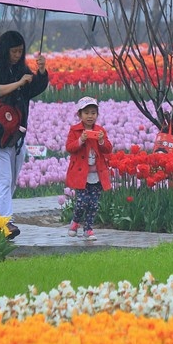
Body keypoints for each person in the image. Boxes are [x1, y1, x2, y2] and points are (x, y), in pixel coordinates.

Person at [0, 31, 49, 239]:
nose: (18, 55)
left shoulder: (21, 68)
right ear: (5, 49)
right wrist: (19, 83)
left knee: (10, 182)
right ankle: (6, 222)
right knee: (2, 179)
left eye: (20, 51)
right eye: (14, 51)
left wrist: (41, 72)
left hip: (16, 134)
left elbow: (32, 90)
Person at [65, 97, 113, 240]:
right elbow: (69, 147)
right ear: (79, 115)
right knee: (81, 201)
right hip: (81, 174)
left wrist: (101, 140)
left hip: (97, 174)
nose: (90, 116)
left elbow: (108, 149)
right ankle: (75, 222)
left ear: (97, 115)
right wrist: (81, 140)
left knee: (93, 204)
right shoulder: (75, 130)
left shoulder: (100, 131)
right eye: (86, 113)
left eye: (93, 112)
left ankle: (89, 229)